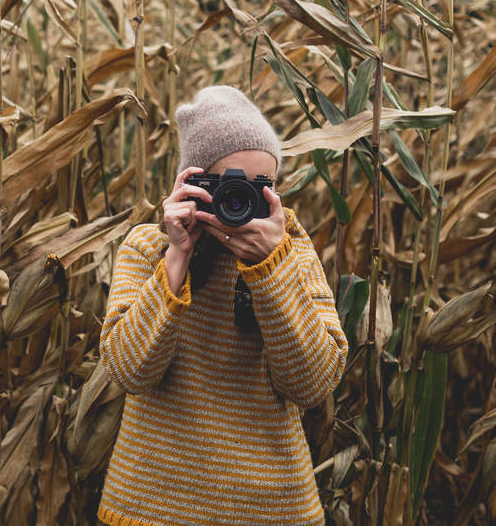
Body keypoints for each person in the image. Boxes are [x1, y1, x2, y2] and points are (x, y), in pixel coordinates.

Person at [97, 86, 348, 526]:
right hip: (152, 502)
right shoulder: (148, 249)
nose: (242, 202)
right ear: (194, 185)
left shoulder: (293, 254)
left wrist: (270, 269)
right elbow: (129, 371)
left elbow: (311, 386)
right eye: (230, 187)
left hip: (271, 508)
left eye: (260, 187)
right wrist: (177, 257)